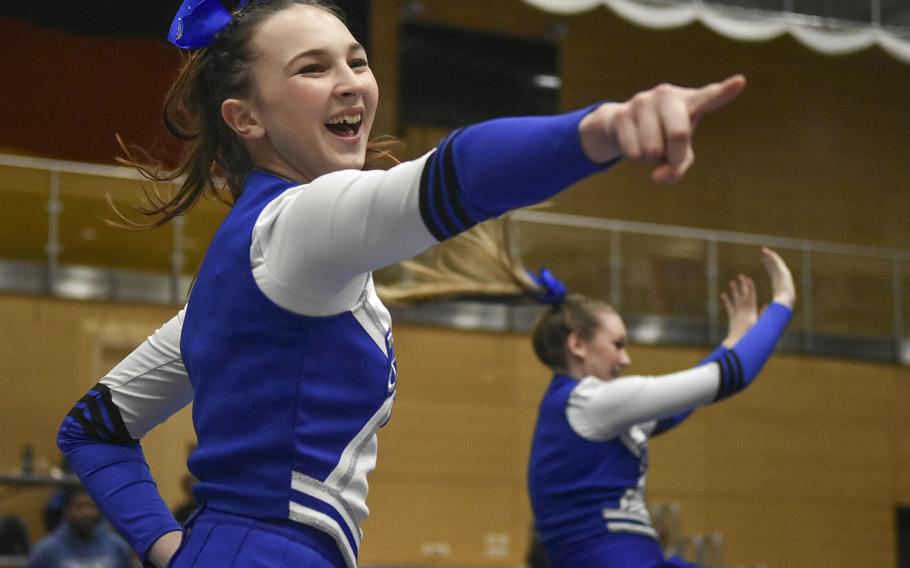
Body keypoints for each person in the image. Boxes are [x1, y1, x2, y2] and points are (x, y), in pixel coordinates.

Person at [55, 0, 748, 566]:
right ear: (247, 118)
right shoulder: (295, 227)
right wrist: (603, 129)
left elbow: (92, 429)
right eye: (312, 68)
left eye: (356, 58)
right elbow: (456, 174)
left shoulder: (248, 281)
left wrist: (171, 547)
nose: (351, 79)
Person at [526, 248, 796, 568]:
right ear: (577, 345)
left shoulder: (576, 408)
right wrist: (782, 303)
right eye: (617, 344)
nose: (625, 360)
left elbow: (677, 406)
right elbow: (730, 377)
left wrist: (734, 339)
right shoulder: (590, 401)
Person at [26, 486, 134, 568]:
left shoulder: (117, 546)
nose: (86, 512)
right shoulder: (45, 550)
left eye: (91, 506)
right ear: (66, 510)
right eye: (78, 506)